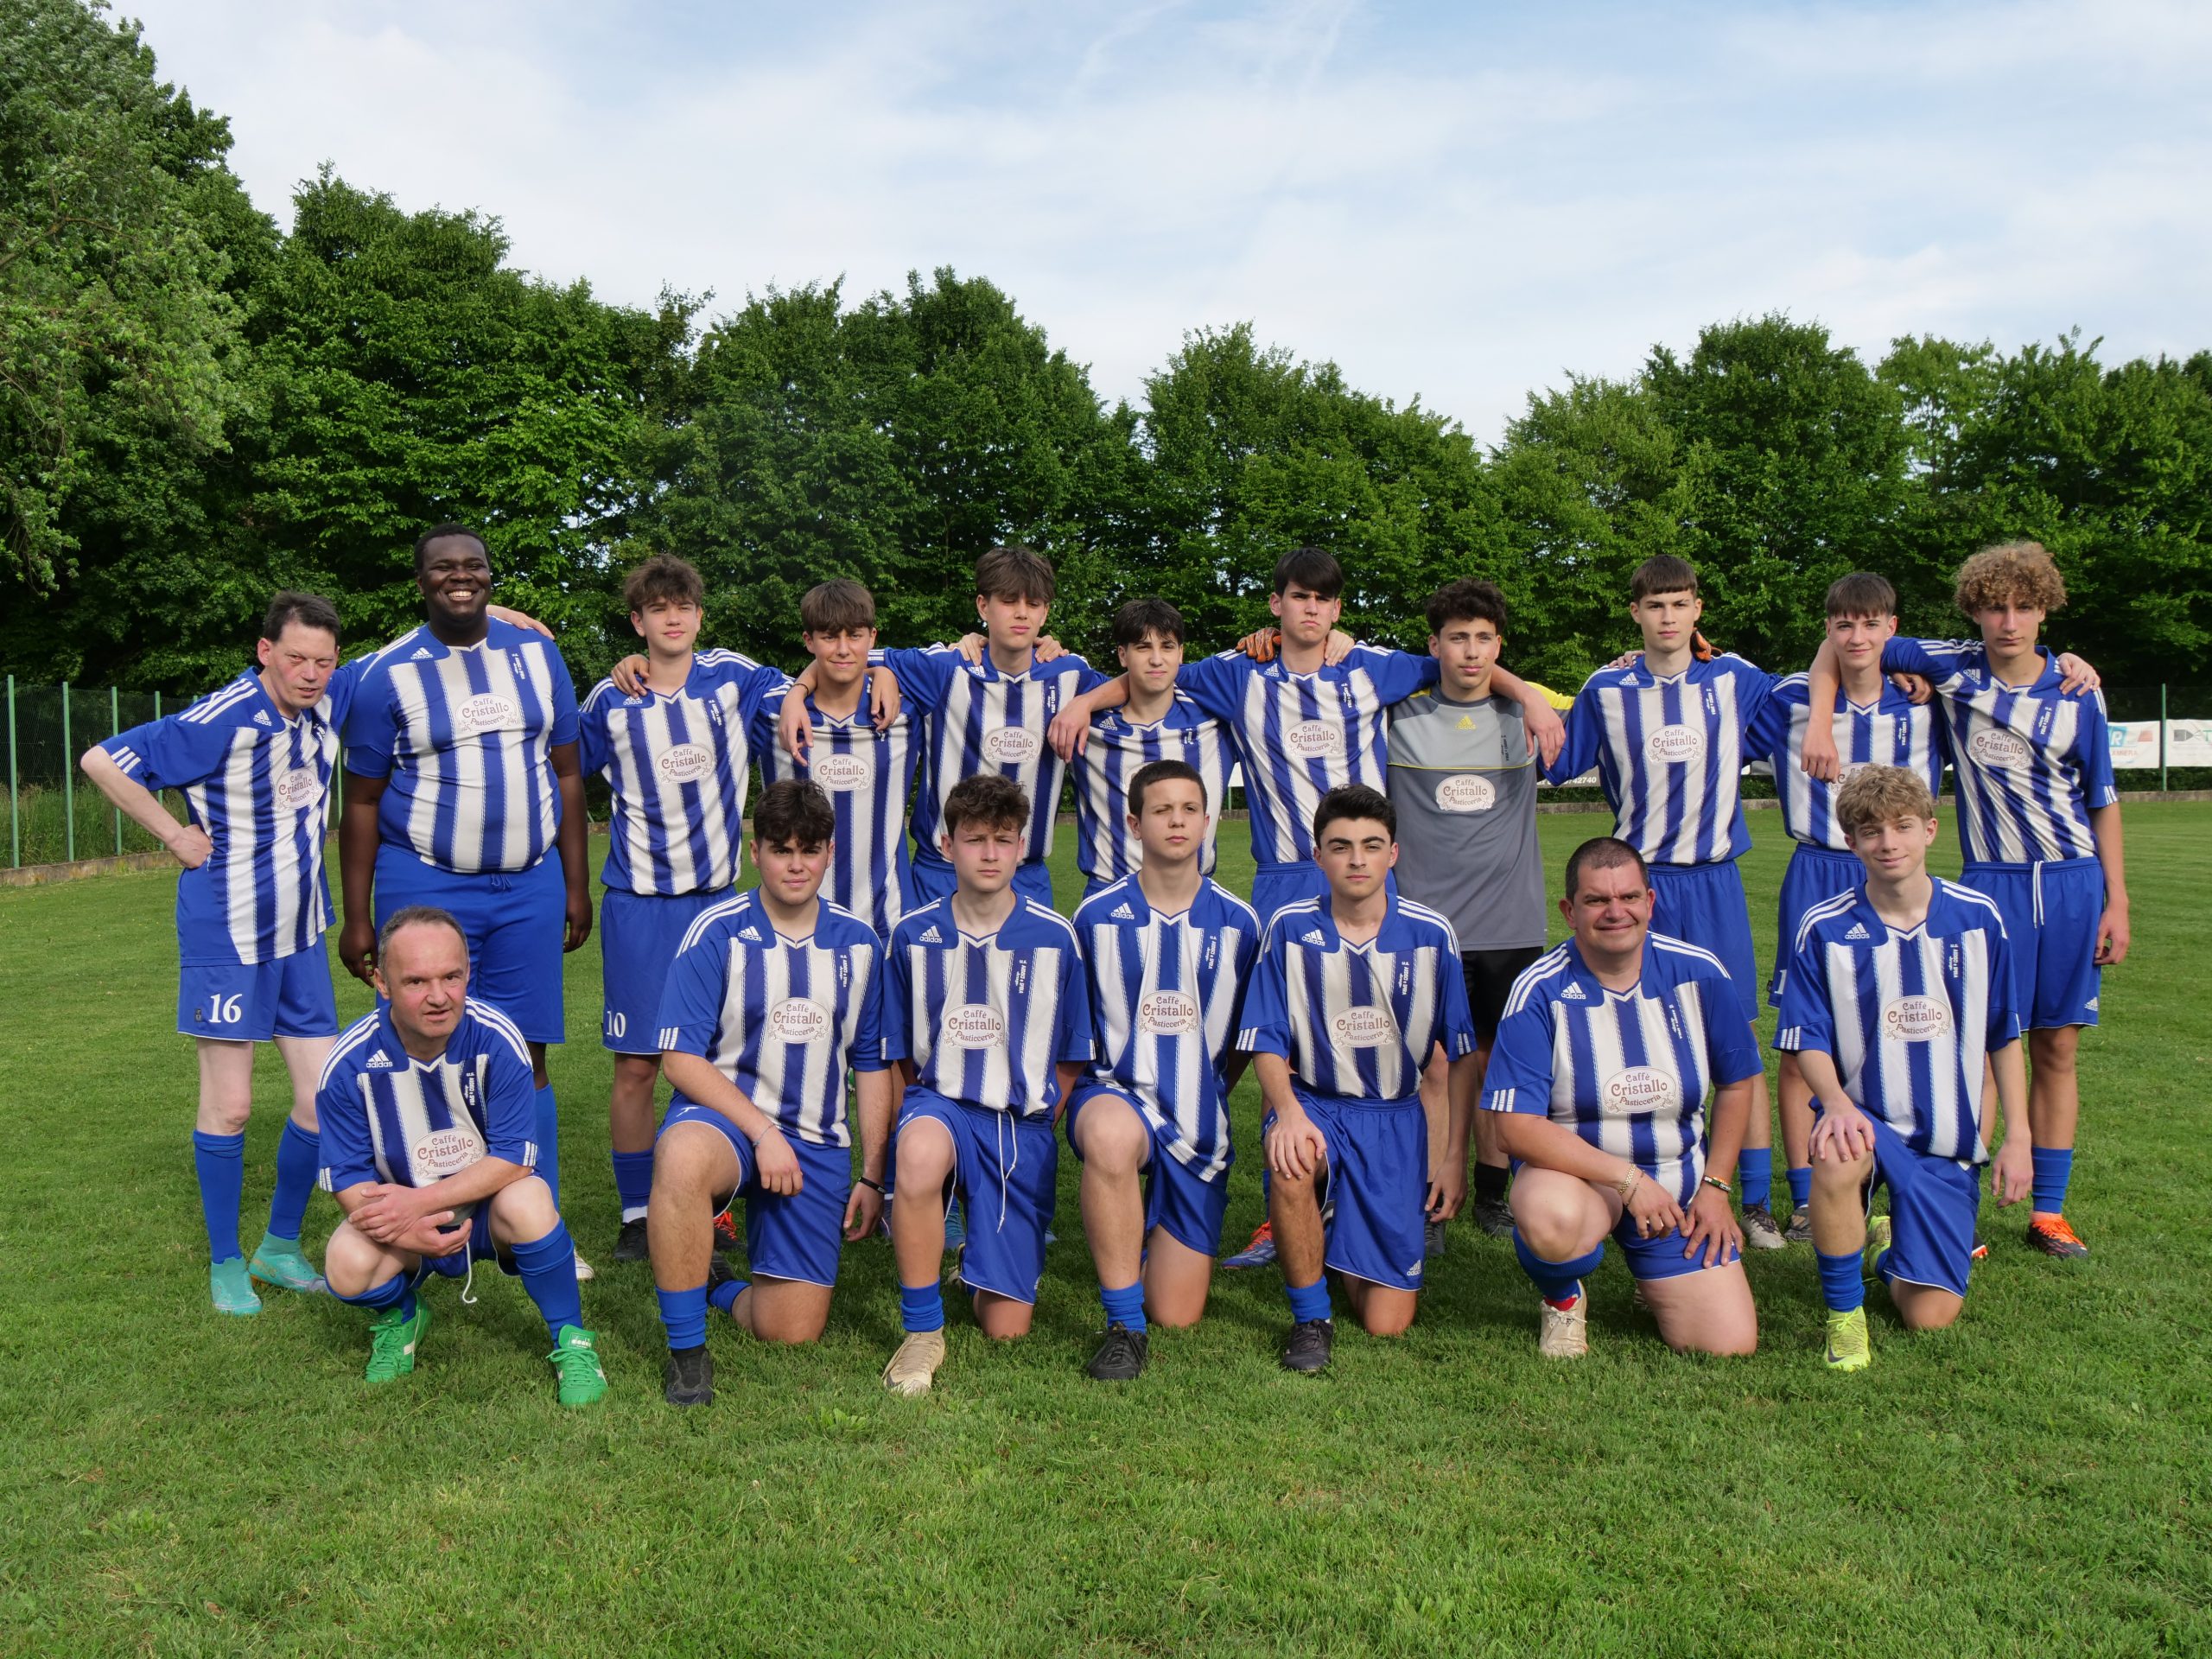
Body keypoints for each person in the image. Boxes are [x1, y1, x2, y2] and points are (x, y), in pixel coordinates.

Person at [1052, 547, 1561, 1271]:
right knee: (1277, 1047)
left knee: (1402, 1045)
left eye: (1324, 599)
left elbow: (1460, 664)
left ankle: (1406, 1198)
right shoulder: (1240, 675)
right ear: (1277, 604)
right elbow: (1152, 673)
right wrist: (1083, 702)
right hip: (1283, 882)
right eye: (1299, 597)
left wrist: (1530, 697)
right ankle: (1279, 1208)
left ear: (1337, 608)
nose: (1311, 609)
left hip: (1365, 876)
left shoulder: (1369, 668)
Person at [1802, 541, 2125, 1258]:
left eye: (2024, 608)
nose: (2009, 622)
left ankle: (2048, 1210)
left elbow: (2103, 802)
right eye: (1994, 608)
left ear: (2046, 611)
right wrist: (1821, 720)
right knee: (1971, 1047)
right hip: (1990, 883)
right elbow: (1842, 643)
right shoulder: (1951, 667)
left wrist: (2118, 900)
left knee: (2057, 1047)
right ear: (1974, 611)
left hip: (2072, 883)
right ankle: (1958, 1203)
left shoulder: (2077, 692)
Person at [80, 593, 355, 1313]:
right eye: (296, 658)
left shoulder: (327, 702)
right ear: (265, 651)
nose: (310, 673)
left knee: (324, 1099)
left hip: (301, 935)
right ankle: (226, 1260)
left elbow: (417, 644)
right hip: (228, 935)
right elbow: (101, 760)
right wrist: (174, 836)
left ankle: (279, 1246)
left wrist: (506, 616)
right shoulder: (220, 719)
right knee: (231, 1107)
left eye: (323, 661)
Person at [337, 524, 594, 1275]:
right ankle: (422, 1224)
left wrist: (575, 882)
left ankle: (534, 1225)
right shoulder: (386, 674)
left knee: (527, 1051)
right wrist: (357, 916)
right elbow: (360, 802)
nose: (461, 577)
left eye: (474, 566)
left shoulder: (537, 654)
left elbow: (568, 773)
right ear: (420, 581)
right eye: (444, 568)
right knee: (420, 1047)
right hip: (426, 881)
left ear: (490, 575)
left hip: (528, 886)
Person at [1545, 555, 1788, 1249]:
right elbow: (1555, 754)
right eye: (1655, 606)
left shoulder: (1734, 678)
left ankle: (1755, 1199)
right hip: (1636, 888)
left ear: (1698, 609)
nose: (1668, 617)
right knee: (1633, 1031)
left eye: (1680, 604)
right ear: (1636, 613)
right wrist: (1520, 693)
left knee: (1737, 1036)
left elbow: (1817, 689)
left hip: (1712, 880)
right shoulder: (1607, 688)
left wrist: (1905, 673)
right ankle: (1634, 1181)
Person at [1775, 766, 2034, 1370]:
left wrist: (2018, 1136)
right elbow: (1805, 1037)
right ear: (1851, 842)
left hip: (1946, 1137)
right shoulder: (1825, 927)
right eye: (1870, 831)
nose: (1888, 843)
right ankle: (1845, 1319)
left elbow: (2004, 1036)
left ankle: (1885, 1249)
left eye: (1903, 827)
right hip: (1864, 1115)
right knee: (1836, 1152)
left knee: (1929, 1317)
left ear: (1930, 831)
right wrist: (1836, 1103)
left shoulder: (1979, 919)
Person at [645, 781, 893, 1407]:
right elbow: (679, 1059)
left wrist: (873, 1174)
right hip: (728, 1122)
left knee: (790, 1331)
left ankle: (717, 1285)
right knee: (681, 1157)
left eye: (809, 850)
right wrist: (761, 1132)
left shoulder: (860, 944)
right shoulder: (717, 931)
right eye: (781, 849)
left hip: (814, 1139)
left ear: (830, 854)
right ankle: (687, 1353)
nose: (796, 865)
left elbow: (870, 1064)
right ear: (755, 852)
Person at [579, 554, 789, 1262]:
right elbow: (561, 771)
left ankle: (712, 1197)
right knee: (638, 1067)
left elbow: (815, 678)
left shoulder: (734, 678)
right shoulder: (610, 700)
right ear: (637, 621)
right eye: (658, 609)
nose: (674, 618)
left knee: (716, 1061)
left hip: (717, 907)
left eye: (685, 606)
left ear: (700, 615)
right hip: (639, 907)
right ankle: (638, 1214)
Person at [1483, 836, 1761, 1360]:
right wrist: (1629, 1180)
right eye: (1596, 900)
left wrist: (1717, 1188)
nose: (1616, 912)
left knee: (1728, 1345)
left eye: (1629, 897)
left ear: (1649, 902)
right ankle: (1563, 1298)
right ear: (1570, 911)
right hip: (1581, 1181)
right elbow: (1515, 1128)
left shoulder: (1700, 972)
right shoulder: (1538, 990)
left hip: (1679, 1189)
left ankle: (1655, 1277)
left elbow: (1739, 1083)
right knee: (1551, 1218)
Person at [315, 906, 607, 1404]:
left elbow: (514, 1158)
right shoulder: (348, 1064)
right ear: (382, 983)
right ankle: (402, 1317)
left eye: (451, 976)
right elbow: (348, 1178)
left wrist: (419, 1204)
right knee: (345, 1262)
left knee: (531, 1200)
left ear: (468, 973)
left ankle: (573, 1343)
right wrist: (407, 1228)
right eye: (416, 981)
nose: (438, 996)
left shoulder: (498, 1038)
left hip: (489, 1211)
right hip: (408, 1221)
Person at [1236, 785, 1479, 1373]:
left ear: (1393, 853)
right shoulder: (1290, 928)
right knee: (1292, 1161)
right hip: (1317, 1103)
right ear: (1318, 855)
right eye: (1340, 846)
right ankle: (1310, 1317)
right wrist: (1287, 1113)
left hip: (1394, 1118)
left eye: (1371, 846)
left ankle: (1335, 1222)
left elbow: (1460, 1055)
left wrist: (1453, 1158)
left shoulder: (1431, 935)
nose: (1356, 860)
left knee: (1386, 1322)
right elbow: (1265, 1038)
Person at [878, 774, 1095, 1397]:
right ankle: (922, 1331)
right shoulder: (912, 935)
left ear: (1023, 847)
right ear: (947, 846)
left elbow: (1072, 1053)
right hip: (941, 1104)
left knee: (1007, 1328)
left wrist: (1039, 1114)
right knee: (920, 1153)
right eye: (975, 840)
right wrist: (923, 1108)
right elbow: (898, 1051)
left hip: (1019, 1126)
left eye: (1003, 840)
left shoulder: (1055, 936)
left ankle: (973, 1265)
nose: (990, 854)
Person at [1747, 573, 1944, 1243]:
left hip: (1897, 877)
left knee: (1901, 1030)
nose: (1857, 636)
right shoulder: (1791, 700)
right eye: (1843, 624)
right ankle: (1808, 1199)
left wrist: (2069, 661)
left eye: (1871, 622)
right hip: (1818, 870)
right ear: (1827, 630)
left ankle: (1892, 1187)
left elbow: (2000, 665)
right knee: (1802, 1042)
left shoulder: (1925, 701)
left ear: (1893, 627)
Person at [1383, 578, 1568, 1251]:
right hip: (1426, 927)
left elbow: (1612, 697)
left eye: (1483, 638)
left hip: (1508, 925)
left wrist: (1532, 696)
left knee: (1493, 1062)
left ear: (1499, 644)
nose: (1470, 651)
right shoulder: (1397, 714)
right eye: (1457, 638)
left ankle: (1492, 1192)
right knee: (1433, 1064)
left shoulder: (1531, 716)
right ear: (1434, 646)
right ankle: (1433, 1198)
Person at [1067, 760, 1260, 1378]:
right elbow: (1077, 1028)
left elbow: (1246, 1037)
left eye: (1188, 809)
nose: (1176, 821)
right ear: (1134, 823)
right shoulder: (1095, 917)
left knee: (1177, 1312)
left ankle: (1140, 1235)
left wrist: (1208, 1087)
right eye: (1161, 810)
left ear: (1207, 822)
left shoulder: (1240, 924)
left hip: (1198, 1120)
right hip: (1115, 1095)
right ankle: (1124, 1327)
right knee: (1110, 1137)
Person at [779, 544, 1100, 908]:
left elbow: (1135, 684)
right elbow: (844, 656)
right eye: (1009, 601)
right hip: (943, 873)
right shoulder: (945, 667)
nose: (1022, 613)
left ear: (1045, 612)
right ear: (983, 606)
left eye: (1034, 604)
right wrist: (801, 690)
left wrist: (1086, 703)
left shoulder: (1071, 674)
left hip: (1025, 873)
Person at [758, 579, 915, 942]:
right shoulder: (770, 713)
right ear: (809, 640)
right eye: (829, 637)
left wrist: (882, 671)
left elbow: (971, 657)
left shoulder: (906, 712)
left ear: (872, 638)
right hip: (791, 929)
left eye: (854, 636)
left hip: (884, 922)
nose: (843, 649)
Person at [1065, 600, 1236, 907]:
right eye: (1143, 647)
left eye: (1167, 646)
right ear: (1123, 655)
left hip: (1195, 900)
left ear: (1181, 653)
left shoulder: (1216, 722)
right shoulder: (1088, 726)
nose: (1156, 659)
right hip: (1109, 900)